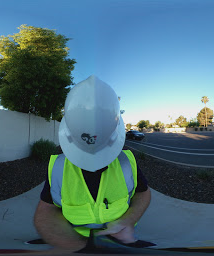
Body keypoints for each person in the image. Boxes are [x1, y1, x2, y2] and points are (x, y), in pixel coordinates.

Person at [33, 75, 152, 251]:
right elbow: (45, 212)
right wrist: (78, 246)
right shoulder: (57, 168)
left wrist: (127, 222)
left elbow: (143, 194)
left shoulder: (127, 163)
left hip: (121, 245)